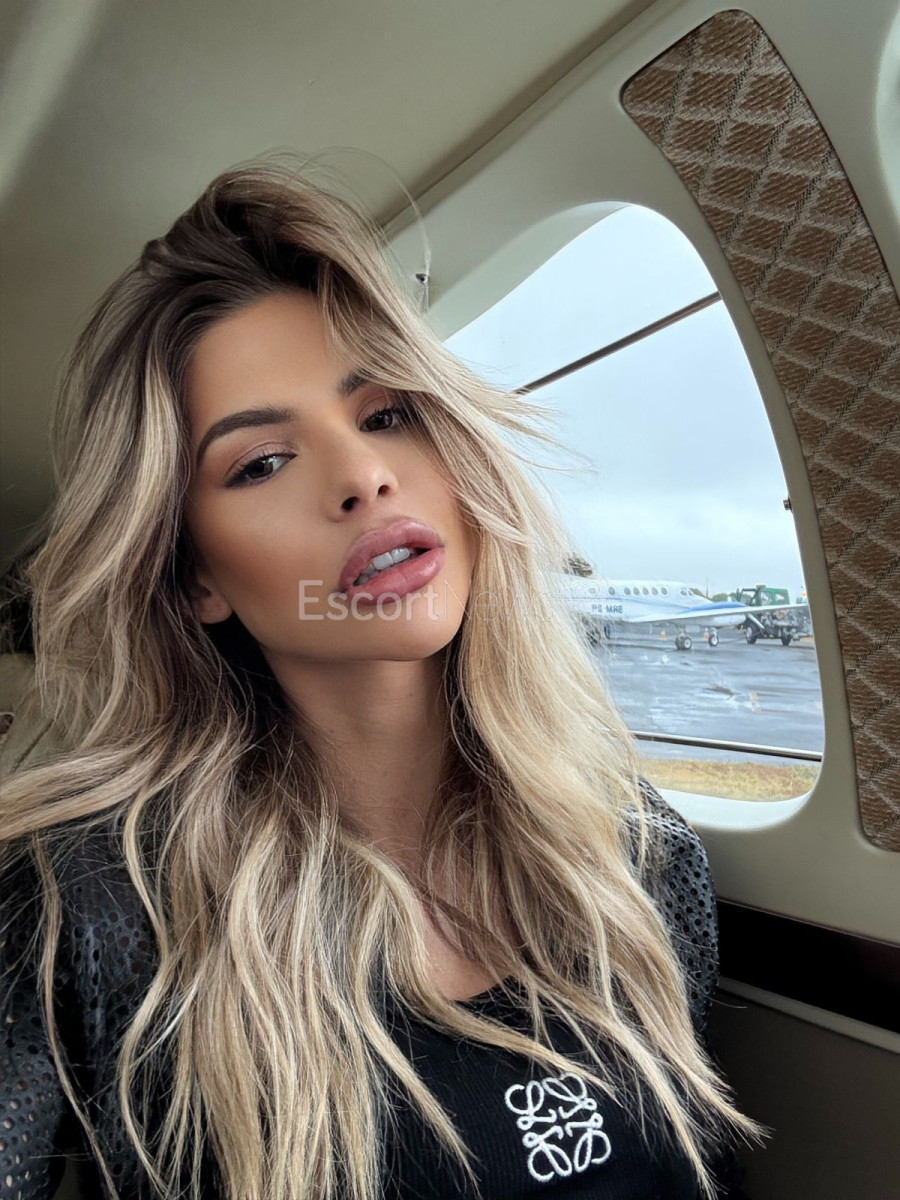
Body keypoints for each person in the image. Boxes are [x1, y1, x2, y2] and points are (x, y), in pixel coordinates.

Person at [0, 154, 768, 1200]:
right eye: (261, 463)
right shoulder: (91, 905)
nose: (362, 477)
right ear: (195, 579)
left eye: (388, 413)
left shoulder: (636, 855)